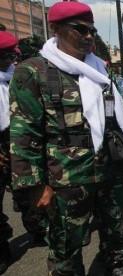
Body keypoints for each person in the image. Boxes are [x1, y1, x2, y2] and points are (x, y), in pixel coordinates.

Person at [9, 2, 123, 275]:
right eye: (80, 29)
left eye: (91, 30)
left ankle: (113, 263)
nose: (89, 36)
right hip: (65, 175)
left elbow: (115, 117)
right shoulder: (33, 71)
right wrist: (35, 186)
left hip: (108, 166)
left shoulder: (100, 69)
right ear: (55, 29)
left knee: (115, 224)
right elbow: (24, 134)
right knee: (66, 241)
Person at [0, 30, 17, 275]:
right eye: (3, 56)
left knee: (28, 196)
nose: (9, 61)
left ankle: (36, 230)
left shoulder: (18, 78)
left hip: (19, 143)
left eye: (10, 55)